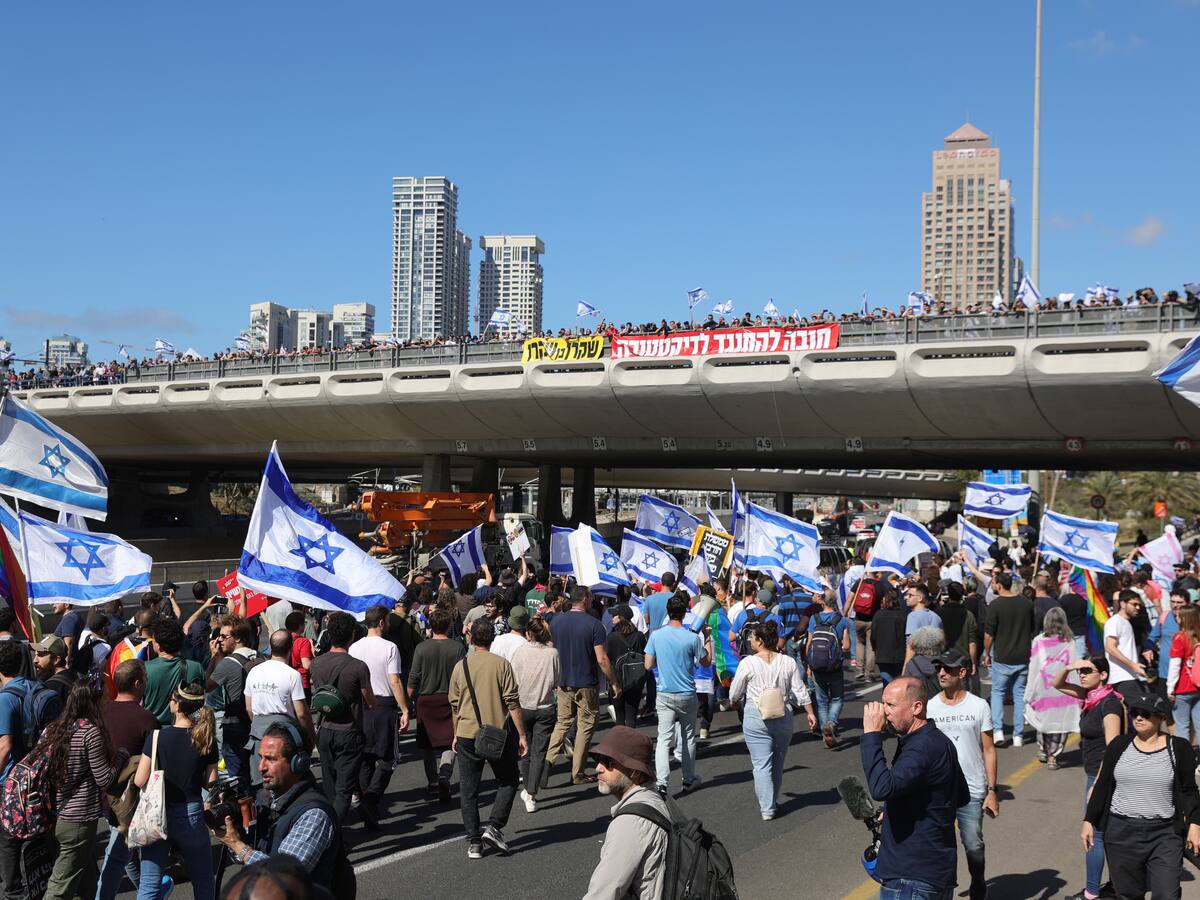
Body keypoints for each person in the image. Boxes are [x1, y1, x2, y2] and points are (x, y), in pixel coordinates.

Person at [859, 677, 969, 900]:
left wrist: (871, 735)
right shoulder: (935, 741)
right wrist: (895, 810)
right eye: (883, 704)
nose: (883, 712)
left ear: (916, 707)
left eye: (891, 705)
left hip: (911, 878)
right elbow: (960, 795)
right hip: (934, 872)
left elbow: (881, 788)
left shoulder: (922, 748)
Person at [1083, 692, 1200, 900]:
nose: (1138, 717)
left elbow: (1189, 790)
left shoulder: (1179, 748)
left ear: (1161, 717)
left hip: (1164, 834)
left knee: (1167, 895)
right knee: (1128, 894)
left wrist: (1195, 825)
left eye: (1146, 713)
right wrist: (1088, 820)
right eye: (1135, 713)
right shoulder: (1119, 745)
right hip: (1121, 833)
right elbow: (1102, 786)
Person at [213, 724, 344, 889]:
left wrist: (238, 846)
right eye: (260, 757)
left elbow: (282, 878)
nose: (261, 767)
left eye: (271, 759)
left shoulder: (314, 814)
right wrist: (237, 830)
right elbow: (254, 855)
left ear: (298, 762)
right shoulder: (267, 797)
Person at [38, 680, 129, 900]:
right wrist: (121, 757)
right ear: (95, 701)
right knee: (60, 887)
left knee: (86, 876)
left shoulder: (53, 729)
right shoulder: (90, 733)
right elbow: (104, 778)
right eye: (105, 697)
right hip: (78, 818)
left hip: (52, 813)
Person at [447, 619, 528, 859]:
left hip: (466, 733)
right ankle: (494, 826)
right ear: (492, 639)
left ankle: (474, 841)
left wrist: (454, 732)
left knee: (469, 789)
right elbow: (513, 703)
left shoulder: (461, 666)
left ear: (471, 638)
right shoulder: (502, 665)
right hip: (496, 733)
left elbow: (455, 705)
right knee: (509, 779)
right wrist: (522, 735)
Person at [134, 681, 218, 900]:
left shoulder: (157, 737)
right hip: (191, 811)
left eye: (172, 699)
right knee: (203, 879)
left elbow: (140, 779)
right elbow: (211, 780)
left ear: (178, 705)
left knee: (149, 885)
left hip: (158, 811)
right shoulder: (205, 738)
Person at [925, 650, 997, 900]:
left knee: (974, 845)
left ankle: (978, 879)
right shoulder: (930, 707)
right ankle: (944, 891)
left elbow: (988, 749)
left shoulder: (979, 706)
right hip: (938, 792)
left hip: (971, 789)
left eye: (948, 668)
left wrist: (992, 791)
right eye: (939, 668)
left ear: (963, 673)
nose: (942, 673)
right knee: (940, 848)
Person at [728, 620, 816, 819]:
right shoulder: (787, 662)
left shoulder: (748, 663)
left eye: (752, 637)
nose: (750, 640)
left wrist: (734, 703)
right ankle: (771, 801)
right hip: (782, 713)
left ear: (759, 641)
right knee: (778, 761)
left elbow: (735, 692)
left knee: (761, 763)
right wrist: (810, 712)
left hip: (756, 713)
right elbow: (800, 690)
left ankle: (767, 808)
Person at [1055, 656, 1123, 900]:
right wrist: (1068, 667)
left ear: (1103, 675)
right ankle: (1114, 888)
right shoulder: (1090, 698)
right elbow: (1057, 684)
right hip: (1095, 775)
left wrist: (1098, 784)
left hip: (1104, 777)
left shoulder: (1109, 704)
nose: (1081, 675)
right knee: (1106, 832)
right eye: (1080, 671)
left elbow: (1113, 746)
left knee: (1095, 834)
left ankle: (1092, 893)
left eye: (1087, 671)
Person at [581, 726, 670, 900]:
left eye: (608, 762)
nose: (598, 768)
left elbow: (603, 893)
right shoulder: (660, 798)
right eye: (598, 759)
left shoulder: (631, 822)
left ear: (635, 772)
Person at [98, 660, 161, 900]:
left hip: (105, 796)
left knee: (122, 852)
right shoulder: (147, 720)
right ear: (137, 684)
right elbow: (155, 765)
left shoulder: (101, 713)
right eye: (144, 679)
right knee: (121, 856)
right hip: (132, 801)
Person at [546, 586, 621, 785]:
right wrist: (614, 682)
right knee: (585, 726)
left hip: (563, 681)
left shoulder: (556, 622)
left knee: (562, 723)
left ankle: (547, 762)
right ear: (586, 599)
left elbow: (551, 650)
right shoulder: (594, 625)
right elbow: (602, 659)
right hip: (586, 682)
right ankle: (577, 772)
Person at [308, 611, 374, 822]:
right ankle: (331, 834)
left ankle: (350, 820)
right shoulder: (358, 666)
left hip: (325, 729)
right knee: (344, 789)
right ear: (352, 635)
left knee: (330, 786)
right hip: (349, 731)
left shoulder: (316, 663)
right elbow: (370, 701)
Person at [349, 607, 411, 824]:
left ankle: (369, 807)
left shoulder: (354, 648)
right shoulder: (390, 647)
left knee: (366, 756)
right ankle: (371, 799)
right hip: (383, 704)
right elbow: (394, 680)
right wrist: (405, 708)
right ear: (382, 623)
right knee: (388, 757)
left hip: (362, 705)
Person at [644, 593, 709, 796]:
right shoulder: (691, 637)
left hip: (664, 692)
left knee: (664, 738)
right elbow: (705, 662)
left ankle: (662, 782)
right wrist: (706, 637)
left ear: (668, 612)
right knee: (688, 736)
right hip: (687, 692)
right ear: (684, 613)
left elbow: (648, 665)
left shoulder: (656, 635)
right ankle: (688, 779)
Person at [407, 606, 466, 805]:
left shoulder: (422, 648)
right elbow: (463, 676)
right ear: (448, 625)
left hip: (426, 699)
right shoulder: (457, 647)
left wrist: (406, 704)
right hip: (450, 699)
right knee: (451, 739)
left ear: (431, 626)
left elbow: (413, 678)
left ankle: (433, 781)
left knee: (427, 744)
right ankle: (445, 774)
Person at [510, 615, 559, 813]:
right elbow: (557, 680)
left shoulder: (520, 652)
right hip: (545, 706)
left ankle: (528, 789)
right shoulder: (553, 653)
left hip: (523, 705)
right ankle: (531, 793)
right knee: (539, 752)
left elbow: (512, 679)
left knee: (525, 748)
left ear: (528, 633)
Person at [983, 571, 1037, 747]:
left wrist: (986, 653)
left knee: (998, 693)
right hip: (1023, 656)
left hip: (1002, 656)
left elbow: (989, 634)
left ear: (999, 585)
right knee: (1019, 695)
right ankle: (1018, 735)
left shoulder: (995, 605)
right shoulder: (1026, 603)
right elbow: (1032, 629)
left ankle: (998, 731)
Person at [206, 615, 257, 789]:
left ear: (237, 638)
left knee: (236, 776)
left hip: (234, 725)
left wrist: (214, 656)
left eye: (223, 637)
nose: (219, 640)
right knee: (253, 772)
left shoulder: (228, 663)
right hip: (254, 723)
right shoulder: (258, 657)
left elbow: (208, 686)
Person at [1024, 607, 1079, 769]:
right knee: (1060, 723)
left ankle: (1043, 748)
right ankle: (1053, 756)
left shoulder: (1038, 641)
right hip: (1063, 688)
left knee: (1043, 720)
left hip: (1042, 688)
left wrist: (1029, 692)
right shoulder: (1069, 641)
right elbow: (1073, 665)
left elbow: (1034, 667)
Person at [805, 590, 851, 749]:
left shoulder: (814, 619)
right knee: (837, 698)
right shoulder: (842, 620)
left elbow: (809, 644)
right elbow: (846, 646)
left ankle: (826, 728)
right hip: (835, 666)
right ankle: (831, 723)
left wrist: (808, 665)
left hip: (816, 666)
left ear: (822, 602)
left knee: (822, 701)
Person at [143, 617, 205, 725]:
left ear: (158, 646)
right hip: (185, 730)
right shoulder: (196, 668)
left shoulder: (144, 669)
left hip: (154, 733)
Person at [605, 604, 647, 729]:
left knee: (619, 717)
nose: (612, 617)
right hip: (635, 680)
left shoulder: (612, 637)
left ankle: (621, 745)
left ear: (620, 618)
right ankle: (630, 745)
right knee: (631, 716)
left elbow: (607, 658)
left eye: (614, 615)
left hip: (617, 680)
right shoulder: (639, 636)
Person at [1104, 590, 1150, 703]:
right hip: (1121, 677)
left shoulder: (1126, 622)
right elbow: (1110, 647)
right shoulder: (1114, 622)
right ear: (1123, 604)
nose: (1138, 607)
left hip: (1130, 676)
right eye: (1134, 604)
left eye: (1139, 604)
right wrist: (1132, 665)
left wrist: (1135, 665)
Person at [1168, 604, 1200, 744]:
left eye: (1179, 616)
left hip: (1183, 687)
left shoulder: (1180, 637)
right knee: (1199, 725)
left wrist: (1170, 687)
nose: (1177, 617)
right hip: (1198, 686)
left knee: (1182, 727)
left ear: (1184, 619)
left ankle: (1185, 761)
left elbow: (1174, 665)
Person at [870, 590, 907, 685]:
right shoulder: (902, 615)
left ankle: (888, 698)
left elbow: (873, 635)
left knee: (887, 682)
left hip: (882, 654)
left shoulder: (878, 614)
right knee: (898, 681)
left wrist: (875, 649)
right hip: (898, 654)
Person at [32, 634, 76, 703]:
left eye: (40, 655)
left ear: (56, 660)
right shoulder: (77, 676)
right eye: (35, 655)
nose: (35, 660)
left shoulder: (51, 688)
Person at [286, 610, 315, 696]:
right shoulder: (303, 641)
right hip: (302, 681)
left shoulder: (285, 638)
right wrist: (313, 653)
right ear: (300, 626)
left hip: (287, 679)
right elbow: (306, 665)